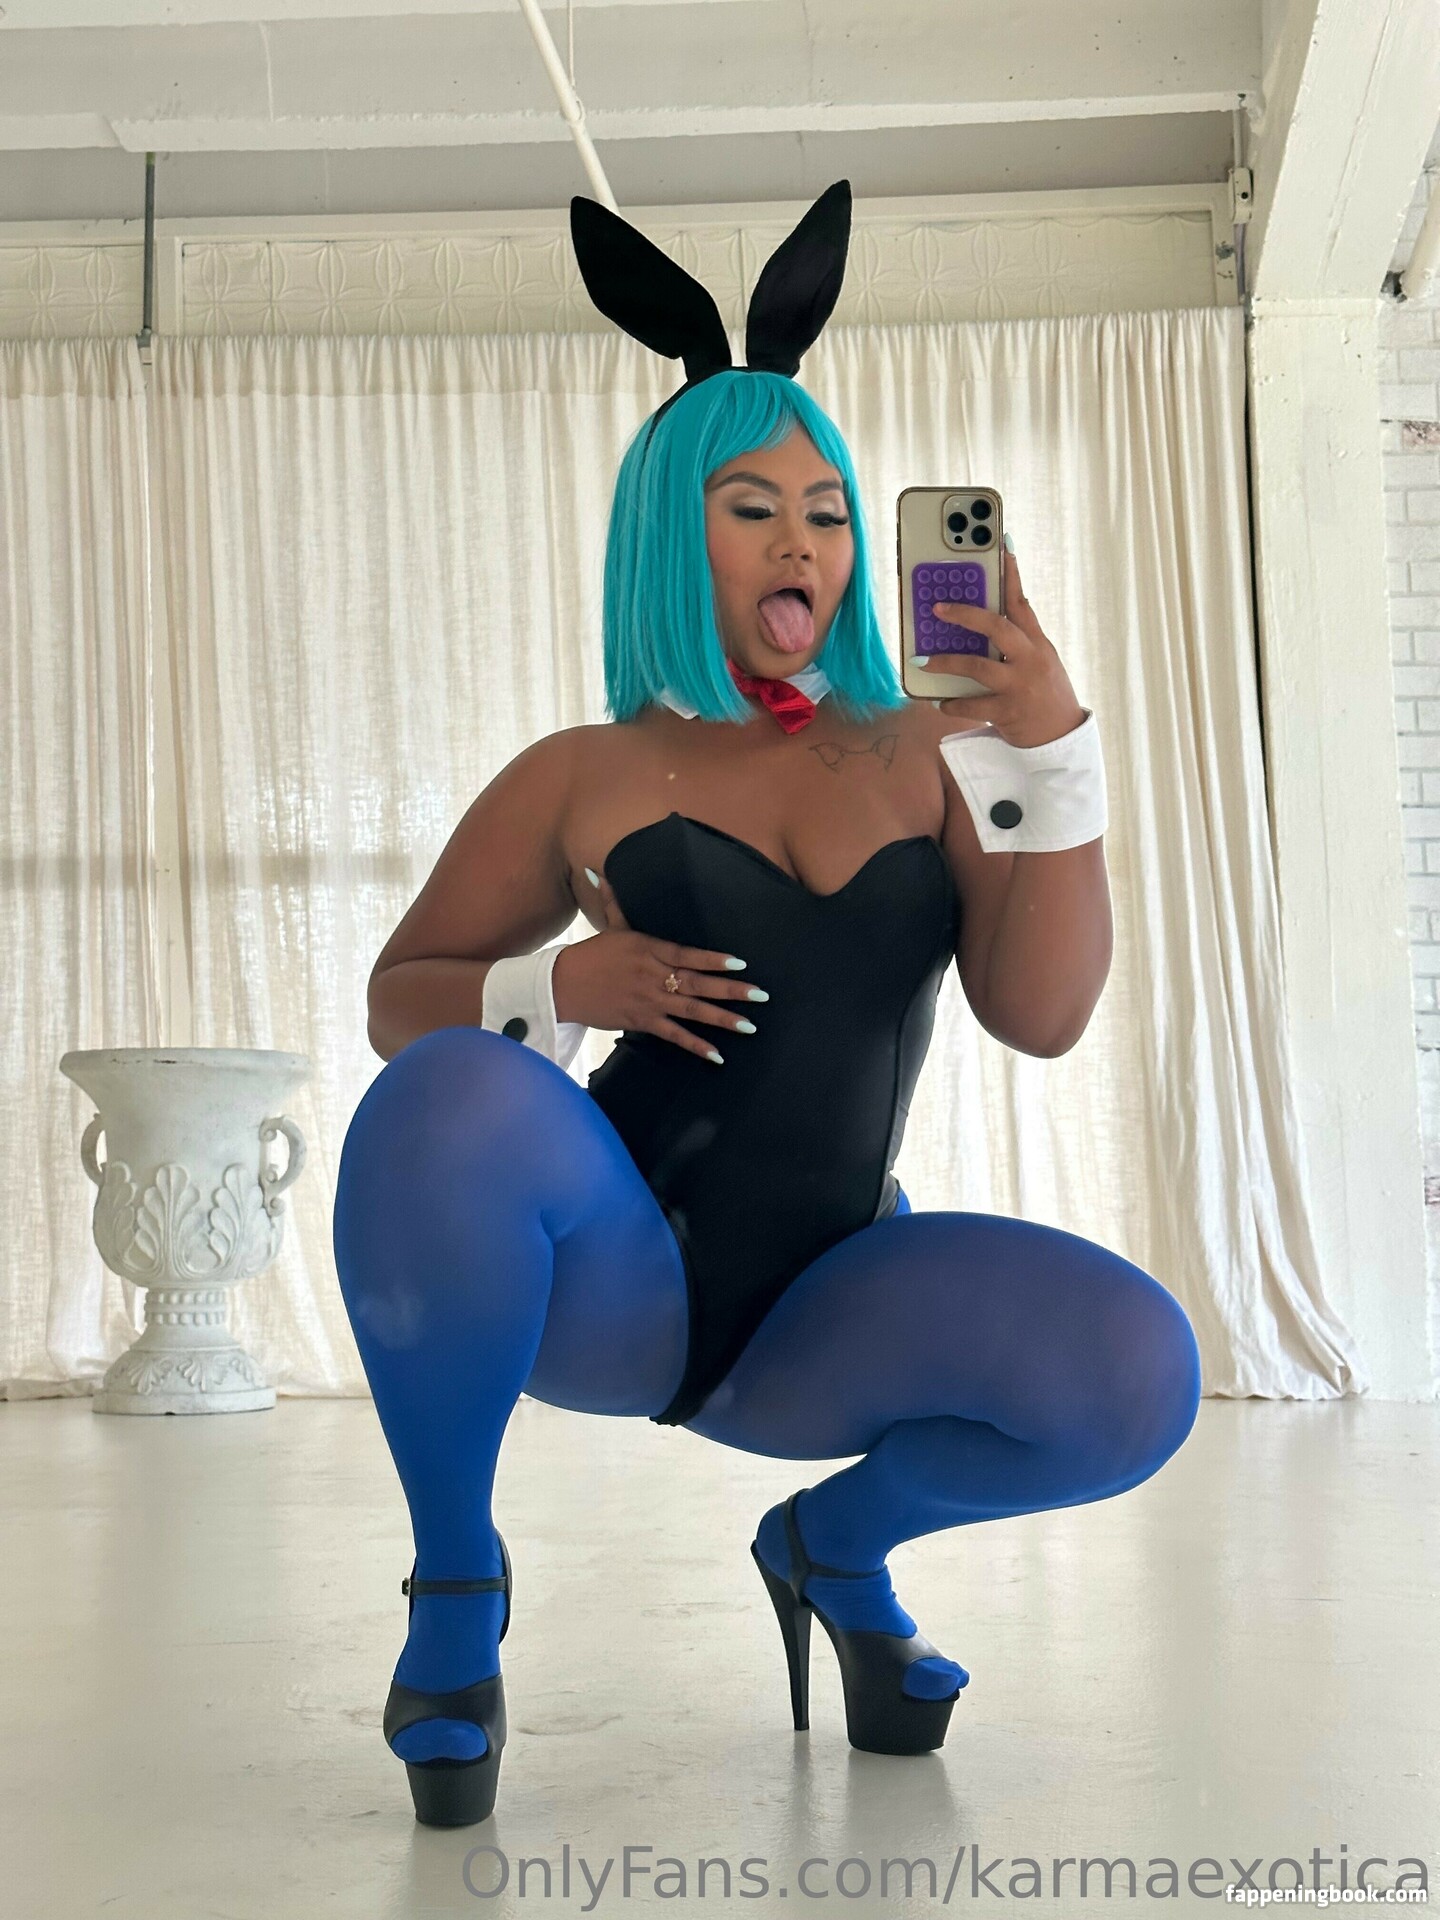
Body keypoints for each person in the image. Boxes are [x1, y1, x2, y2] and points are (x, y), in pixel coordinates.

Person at [332, 183, 1202, 1829]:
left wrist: (1053, 749)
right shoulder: (584, 772)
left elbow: (1043, 1013)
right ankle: (455, 1590)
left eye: (827, 508)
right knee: (444, 1091)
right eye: (751, 507)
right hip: (619, 1281)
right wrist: (557, 982)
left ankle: (834, 1548)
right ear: (675, 533)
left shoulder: (940, 745)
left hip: (831, 1309)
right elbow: (401, 999)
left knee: (1136, 1373)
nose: (802, 540)